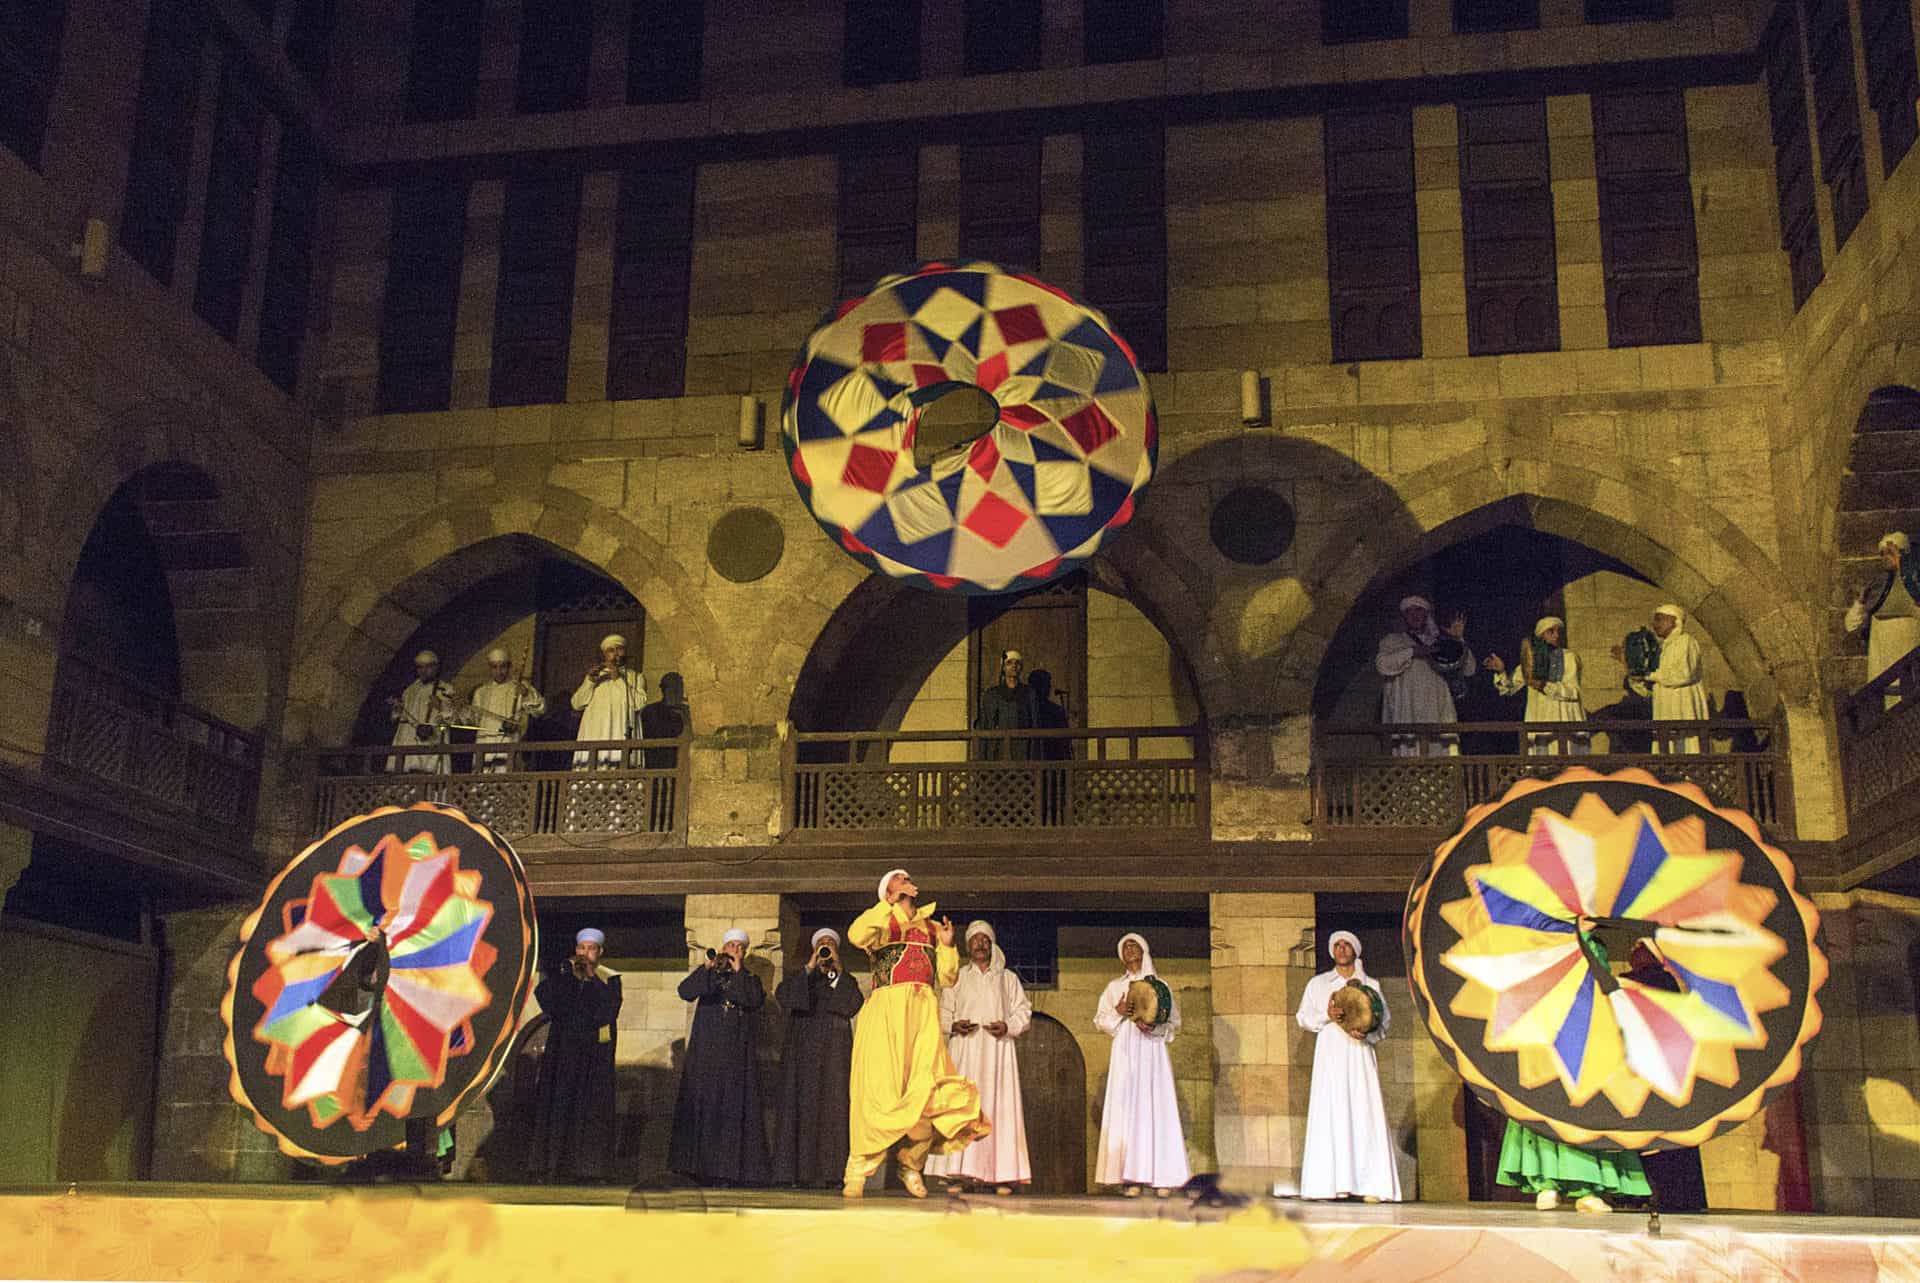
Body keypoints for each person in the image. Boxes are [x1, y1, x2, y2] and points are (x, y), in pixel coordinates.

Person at [843, 868, 991, 1199]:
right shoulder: (881, 921)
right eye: (898, 878)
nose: (907, 879)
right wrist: (886, 904)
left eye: (907, 877)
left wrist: (949, 946)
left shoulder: (932, 927)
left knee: (928, 1090)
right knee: (879, 1091)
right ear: (888, 889)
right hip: (886, 1010)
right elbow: (854, 935)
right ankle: (859, 1167)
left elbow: (949, 978)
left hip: (922, 1012)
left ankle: (911, 1163)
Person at [1497, 921, 1649, 1212]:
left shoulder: (1596, 947)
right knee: (1548, 1104)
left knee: (1587, 1109)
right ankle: (1547, 1184)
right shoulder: (1545, 942)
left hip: (1588, 1035)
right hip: (1550, 1035)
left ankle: (1587, 1189)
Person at [925, 920, 1033, 1194]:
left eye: (985, 939)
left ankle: (1001, 1174)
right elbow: (942, 1012)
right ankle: (958, 1173)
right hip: (966, 1051)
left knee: (998, 1109)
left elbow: (1023, 1012)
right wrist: (953, 1025)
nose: (980, 943)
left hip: (998, 1051)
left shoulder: (1007, 978)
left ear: (992, 944)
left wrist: (1008, 1026)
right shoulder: (957, 977)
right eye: (975, 939)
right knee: (964, 1109)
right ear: (968, 945)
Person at [1295, 930, 1401, 1203]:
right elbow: (1303, 1017)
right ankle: (1330, 1184)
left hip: (1358, 1054)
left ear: (1355, 950)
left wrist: (1367, 1034)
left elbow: (1384, 1024)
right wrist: (1327, 1015)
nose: (1342, 949)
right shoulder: (1318, 984)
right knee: (1332, 1111)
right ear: (1332, 951)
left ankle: (1370, 1184)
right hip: (1330, 1056)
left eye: (1347, 945)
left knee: (1363, 1111)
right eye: (1337, 945)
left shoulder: (1371, 985)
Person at [668, 926, 770, 1186]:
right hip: (706, 1057)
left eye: (739, 947)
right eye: (730, 946)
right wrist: (707, 967)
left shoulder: (749, 979)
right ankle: (695, 1169)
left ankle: (727, 1172)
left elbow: (752, 1000)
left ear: (744, 953)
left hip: (736, 1059)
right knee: (703, 1109)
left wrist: (737, 971)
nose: (733, 950)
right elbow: (685, 991)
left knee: (731, 1113)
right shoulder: (710, 975)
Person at [1094, 932, 1189, 1197]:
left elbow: (1173, 1022)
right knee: (1128, 1108)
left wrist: (1153, 1025)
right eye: (1125, 946)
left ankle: (1162, 1177)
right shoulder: (1114, 986)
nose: (1130, 949)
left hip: (1152, 1050)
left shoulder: (1161, 985)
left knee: (1155, 1107)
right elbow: (1099, 1020)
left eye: (1134, 945)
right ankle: (1131, 1178)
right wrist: (1118, 1010)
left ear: (1145, 950)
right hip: (1126, 1050)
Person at [771, 927, 864, 1188]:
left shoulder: (844, 980)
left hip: (834, 1056)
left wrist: (838, 970)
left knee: (833, 1112)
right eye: (821, 945)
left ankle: (832, 1174)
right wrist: (809, 967)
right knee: (799, 1111)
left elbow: (853, 1004)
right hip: (802, 1056)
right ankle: (796, 1174)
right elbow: (784, 997)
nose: (825, 949)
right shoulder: (801, 978)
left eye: (830, 945)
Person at [1620, 938, 1707, 1213]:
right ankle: (1676, 1198)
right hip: (1663, 1072)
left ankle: (1656, 1196)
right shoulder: (1665, 983)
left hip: (1652, 1071)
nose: (1632, 952)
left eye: (1637, 949)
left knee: (1660, 1140)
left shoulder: (1650, 982)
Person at [529, 928, 622, 1183]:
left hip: (593, 1058)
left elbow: (608, 1011)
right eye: (582, 948)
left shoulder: (609, 980)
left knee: (590, 1112)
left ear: (600, 952)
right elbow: (546, 1000)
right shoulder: (565, 975)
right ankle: (550, 1166)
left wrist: (591, 978)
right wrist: (567, 976)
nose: (585, 954)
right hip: (563, 1055)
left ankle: (589, 1171)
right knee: (558, 1108)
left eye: (591, 949)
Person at [1376, 596, 1473, 757]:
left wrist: (1458, 640)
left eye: (1419, 610)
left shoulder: (1440, 642)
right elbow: (1383, 665)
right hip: (1407, 715)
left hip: (1438, 714)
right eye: (1409, 612)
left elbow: (1469, 669)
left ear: (1427, 614)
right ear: (1403, 616)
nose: (1414, 615)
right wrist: (1413, 652)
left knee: (1441, 757)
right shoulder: (1393, 641)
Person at [567, 633, 646, 830]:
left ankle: (621, 824)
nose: (616, 654)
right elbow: (576, 703)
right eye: (611, 650)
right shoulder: (594, 678)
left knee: (620, 779)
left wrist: (617, 678)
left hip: (620, 734)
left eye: (619, 649)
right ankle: (585, 823)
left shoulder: (635, 678)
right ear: (604, 654)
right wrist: (589, 681)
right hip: (597, 734)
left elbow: (639, 703)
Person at [1484, 616, 1588, 755]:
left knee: (1567, 759)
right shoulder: (1531, 661)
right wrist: (1501, 671)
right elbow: (1509, 688)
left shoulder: (1569, 657)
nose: (1556, 635)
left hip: (1564, 715)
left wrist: (1544, 685)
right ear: (1541, 636)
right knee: (1542, 761)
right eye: (1551, 631)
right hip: (1540, 715)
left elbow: (1573, 691)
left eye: (1558, 631)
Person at [1614, 605, 1708, 753]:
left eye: (1659, 619)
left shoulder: (1686, 641)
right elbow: (1650, 688)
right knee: (1668, 746)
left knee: (1687, 745)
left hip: (1682, 704)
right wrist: (1629, 665)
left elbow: (1682, 675)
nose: (1655, 624)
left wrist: (1649, 675)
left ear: (1674, 620)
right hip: (1665, 708)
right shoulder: (1660, 648)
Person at [1846, 532, 1920, 706]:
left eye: (1891, 553)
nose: (1886, 557)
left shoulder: (1914, 582)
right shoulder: (1876, 586)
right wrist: (1860, 601)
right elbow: (1850, 624)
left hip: (1906, 645)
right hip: (1881, 647)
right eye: (1883, 554)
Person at [470, 647, 546, 773]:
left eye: (503, 667)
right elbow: (473, 719)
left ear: (509, 666)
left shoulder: (520, 687)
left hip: (509, 741)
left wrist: (526, 694)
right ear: (490, 668)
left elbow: (540, 709)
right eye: (494, 667)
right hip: (484, 742)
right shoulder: (481, 691)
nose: (499, 671)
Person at [386, 649, 456, 774]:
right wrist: (397, 708)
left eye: (428, 667)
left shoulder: (445, 689)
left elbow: (452, 718)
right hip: (408, 738)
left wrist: (440, 706)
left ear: (435, 668)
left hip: (431, 739)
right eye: (420, 667)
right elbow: (400, 717)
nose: (423, 671)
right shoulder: (410, 690)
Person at [639, 671, 690, 831]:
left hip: (679, 765)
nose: (676, 692)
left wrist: (684, 717)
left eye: (679, 688)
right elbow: (655, 734)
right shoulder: (651, 711)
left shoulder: (686, 712)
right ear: (664, 689)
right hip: (658, 764)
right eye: (673, 688)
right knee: (657, 800)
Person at [976, 649, 1041, 760]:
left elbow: (1035, 724)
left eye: (1017, 663)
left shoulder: (1029, 693)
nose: (1014, 666)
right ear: (1003, 667)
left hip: (1022, 749)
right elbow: (985, 724)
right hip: (998, 749)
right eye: (1009, 663)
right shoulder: (992, 694)